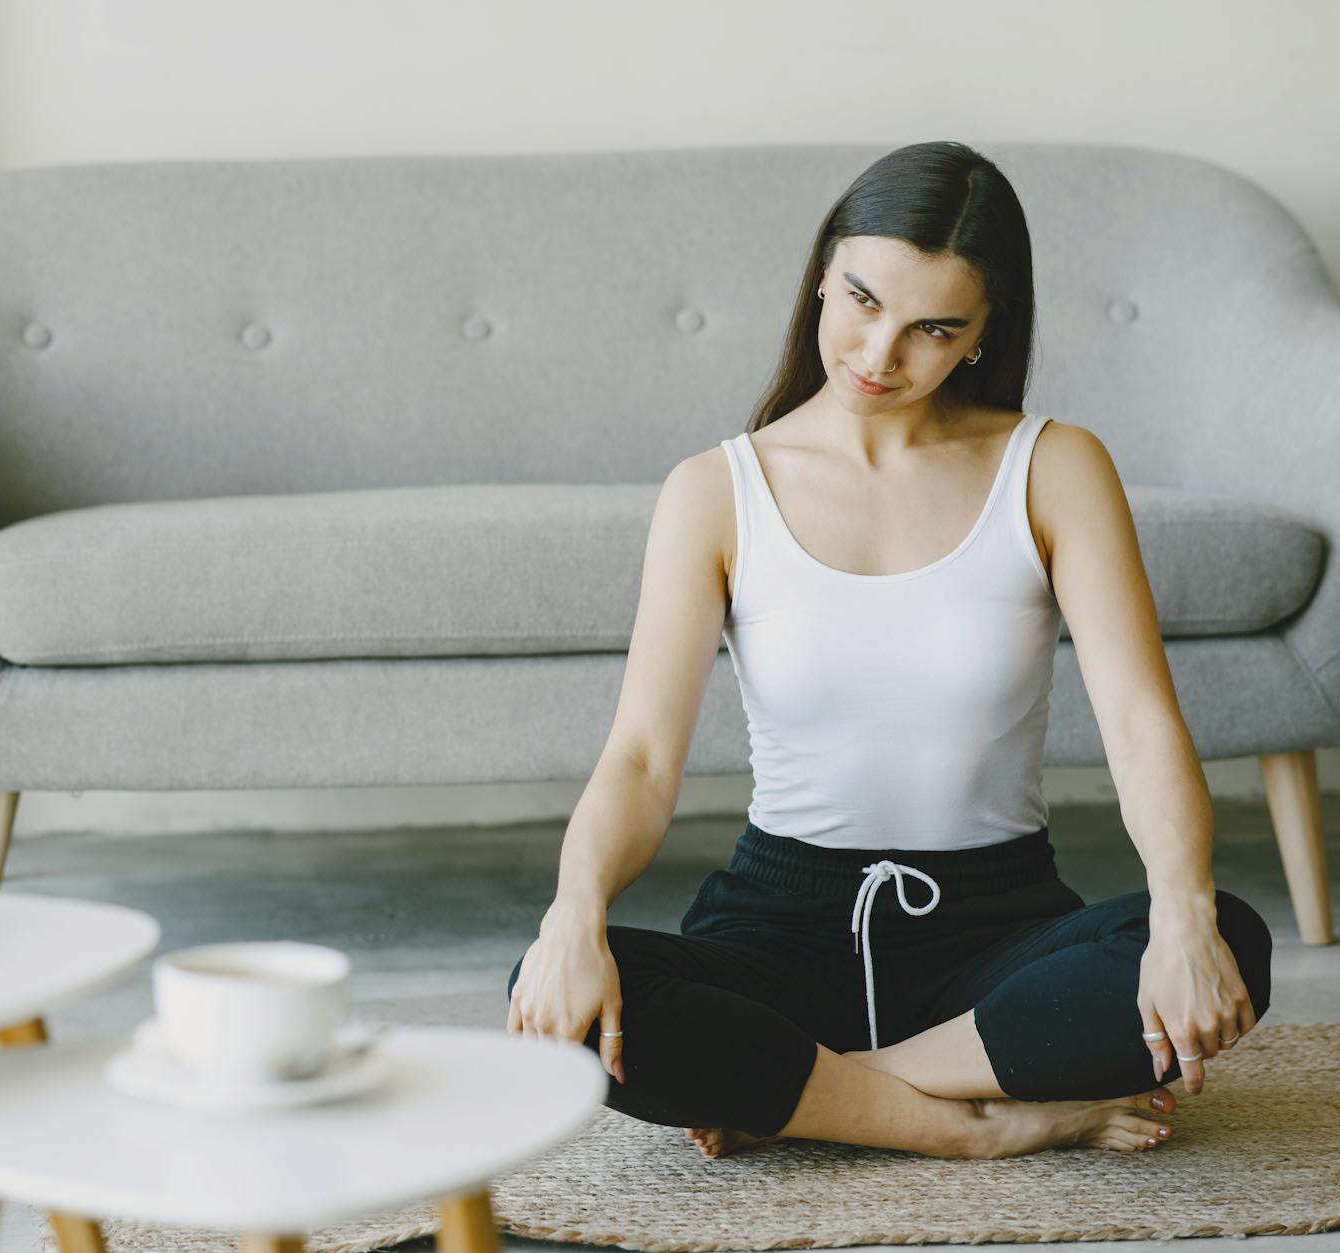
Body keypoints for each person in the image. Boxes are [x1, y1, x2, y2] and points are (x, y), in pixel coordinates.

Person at [503, 140, 1272, 1162]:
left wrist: (1181, 914)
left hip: (994, 933)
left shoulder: (1053, 467)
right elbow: (641, 756)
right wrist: (572, 915)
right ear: (822, 273)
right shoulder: (714, 491)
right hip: (775, 928)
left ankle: (807, 1089)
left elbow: (1138, 723)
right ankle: (975, 1125)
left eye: (933, 328)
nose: (878, 354)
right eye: (862, 300)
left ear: (983, 333)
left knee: (1230, 938)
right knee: (558, 999)